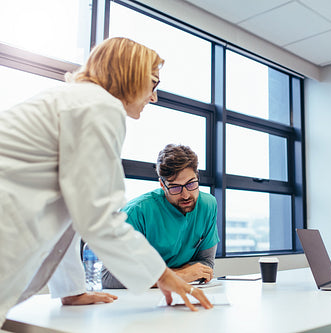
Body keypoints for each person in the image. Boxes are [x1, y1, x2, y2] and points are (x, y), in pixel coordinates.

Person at [0, 37, 212, 327]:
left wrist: (71, 291)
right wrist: (164, 277)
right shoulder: (99, 107)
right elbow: (99, 217)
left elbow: (76, 211)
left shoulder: (76, 101)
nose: (154, 97)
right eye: (153, 83)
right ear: (131, 74)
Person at [102, 144, 219, 288]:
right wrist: (177, 275)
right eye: (175, 187)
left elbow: (206, 265)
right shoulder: (136, 212)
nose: (186, 195)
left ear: (197, 177)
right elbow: (108, 277)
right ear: (162, 185)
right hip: (141, 300)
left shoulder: (208, 205)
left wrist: (167, 275)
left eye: (191, 184)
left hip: (182, 293)